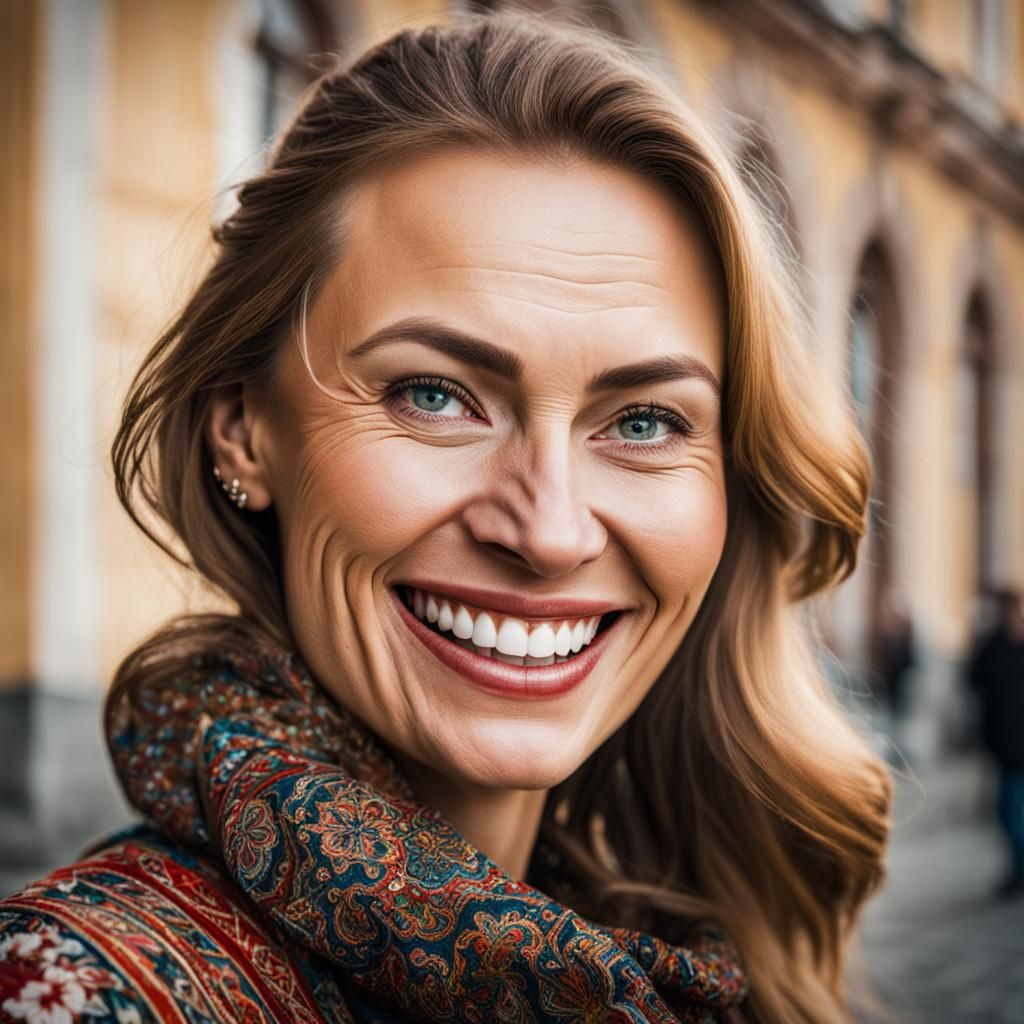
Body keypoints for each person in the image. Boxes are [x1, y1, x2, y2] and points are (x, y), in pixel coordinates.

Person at [0, 12, 892, 1023]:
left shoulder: (684, 951)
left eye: (643, 419)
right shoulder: (64, 992)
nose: (550, 530)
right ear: (244, 431)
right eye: (433, 395)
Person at [967, 589, 1024, 899]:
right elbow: (973, 679)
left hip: (1016, 748)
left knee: (1012, 812)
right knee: (1007, 812)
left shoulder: (1005, 648)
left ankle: (1018, 870)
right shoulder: (993, 646)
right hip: (1003, 745)